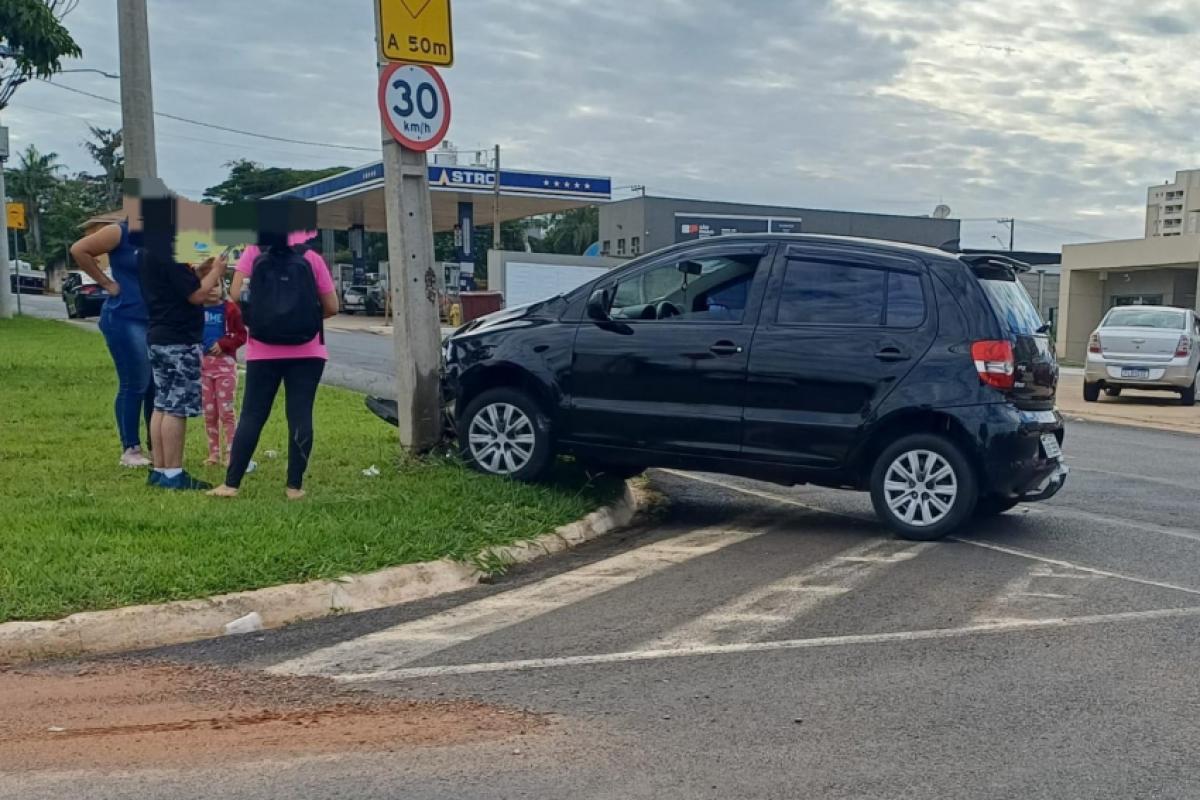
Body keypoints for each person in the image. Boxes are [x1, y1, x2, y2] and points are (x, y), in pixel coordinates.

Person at [209, 234, 338, 500]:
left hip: (262, 350)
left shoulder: (253, 252)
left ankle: (231, 485)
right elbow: (332, 306)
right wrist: (304, 319)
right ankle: (294, 487)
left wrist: (263, 319)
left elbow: (234, 296)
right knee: (300, 414)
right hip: (308, 350)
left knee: (252, 415)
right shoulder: (311, 258)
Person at [140, 235, 227, 491]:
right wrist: (217, 272)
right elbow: (196, 295)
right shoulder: (170, 252)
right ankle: (174, 473)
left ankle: (159, 469)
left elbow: (177, 286)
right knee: (176, 408)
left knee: (161, 404)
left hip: (158, 335)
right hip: (179, 339)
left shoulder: (147, 250)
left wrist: (200, 271)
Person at [70, 220, 155, 468]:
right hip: (125, 316)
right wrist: (107, 284)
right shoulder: (119, 231)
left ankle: (157, 444)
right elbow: (79, 249)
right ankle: (131, 448)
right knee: (135, 382)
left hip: (156, 318)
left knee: (155, 385)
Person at [198, 257, 247, 466]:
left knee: (226, 409)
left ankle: (231, 452)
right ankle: (213, 452)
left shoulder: (230, 310)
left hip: (224, 365)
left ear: (222, 286)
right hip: (202, 367)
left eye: (215, 285)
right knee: (209, 412)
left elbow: (241, 335)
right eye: (207, 285)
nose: (211, 290)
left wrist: (225, 344)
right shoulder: (195, 311)